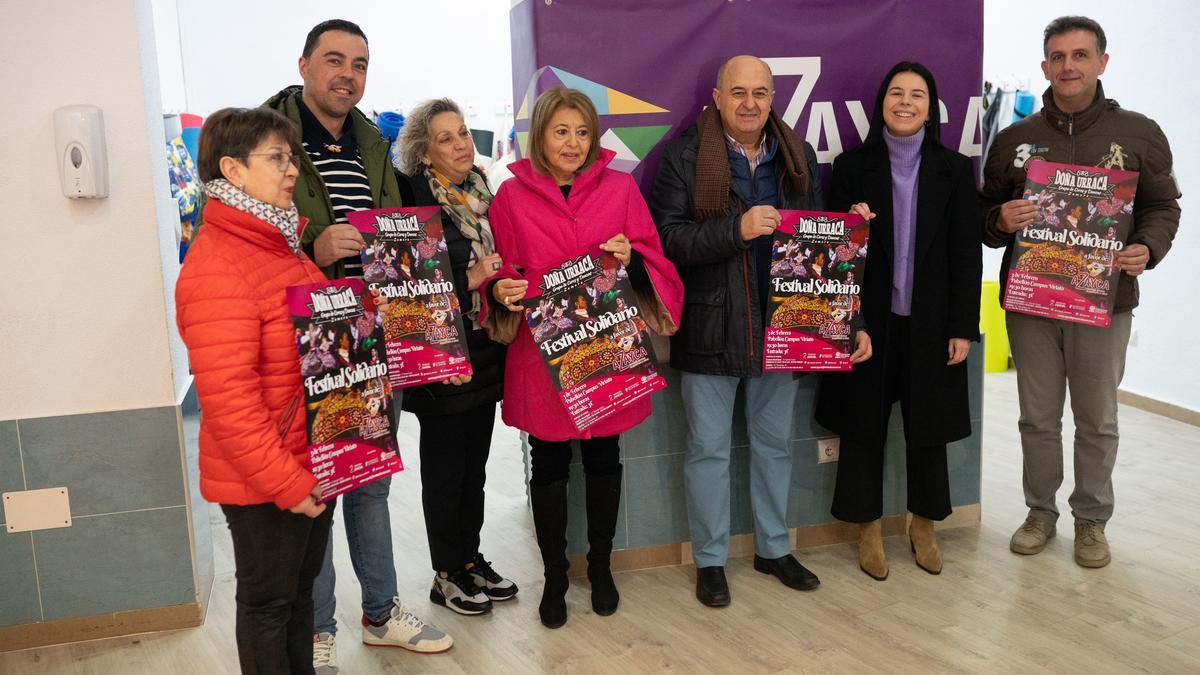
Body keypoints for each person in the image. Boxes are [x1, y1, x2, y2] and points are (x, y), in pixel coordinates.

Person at [263, 19, 451, 672]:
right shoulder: (265, 137)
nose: (348, 73)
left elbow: (401, 235)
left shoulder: (375, 141)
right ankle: (316, 629)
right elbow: (246, 222)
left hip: (372, 334)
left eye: (360, 63)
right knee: (317, 491)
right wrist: (311, 240)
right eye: (334, 60)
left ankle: (379, 613)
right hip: (304, 337)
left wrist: (429, 323)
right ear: (305, 65)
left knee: (370, 481)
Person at [650, 55, 870, 607]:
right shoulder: (682, 157)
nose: (750, 103)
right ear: (717, 98)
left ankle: (774, 548)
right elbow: (668, 242)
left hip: (785, 327)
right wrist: (736, 229)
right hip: (709, 326)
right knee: (707, 450)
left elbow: (823, 252)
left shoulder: (798, 159)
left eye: (761, 93)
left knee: (774, 447)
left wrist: (850, 313)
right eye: (738, 92)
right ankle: (710, 561)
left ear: (773, 99)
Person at [980, 16, 1180, 568]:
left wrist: (1148, 247)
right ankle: (1040, 512)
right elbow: (981, 218)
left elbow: (1164, 207)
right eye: (1058, 57)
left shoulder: (1139, 133)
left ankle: (1092, 519)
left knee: (1097, 419)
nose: (1068, 66)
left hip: (1105, 302)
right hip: (1032, 302)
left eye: (1080, 55)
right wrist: (999, 217)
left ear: (1101, 63)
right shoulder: (1015, 140)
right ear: (1045, 66)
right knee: (1037, 417)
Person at [479, 87, 683, 628]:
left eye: (583, 132)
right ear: (540, 135)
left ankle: (600, 565)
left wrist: (631, 256)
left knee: (603, 458)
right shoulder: (511, 198)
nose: (573, 143)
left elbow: (652, 257)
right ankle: (553, 575)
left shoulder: (620, 188)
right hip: (541, 353)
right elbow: (501, 269)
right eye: (561, 131)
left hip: (606, 349)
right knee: (546, 464)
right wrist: (501, 289)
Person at [176, 107, 334, 673]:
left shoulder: (280, 245)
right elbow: (229, 402)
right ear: (232, 170)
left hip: (310, 460)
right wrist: (287, 483)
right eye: (276, 158)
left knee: (298, 598)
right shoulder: (219, 264)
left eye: (291, 157)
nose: (291, 170)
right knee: (269, 605)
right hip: (266, 479)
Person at [814, 62, 982, 580]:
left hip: (932, 324)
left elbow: (965, 255)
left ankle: (924, 524)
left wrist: (962, 326)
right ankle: (866, 528)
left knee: (928, 427)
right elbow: (833, 253)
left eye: (916, 95)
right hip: (870, 324)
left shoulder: (954, 170)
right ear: (882, 102)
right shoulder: (850, 167)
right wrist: (852, 228)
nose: (904, 102)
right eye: (895, 93)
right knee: (863, 427)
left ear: (930, 108)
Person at [391, 98, 518, 615]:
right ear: (423, 153)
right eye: (446, 138)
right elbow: (404, 281)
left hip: (485, 344)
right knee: (446, 469)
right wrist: (468, 277)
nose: (462, 144)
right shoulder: (414, 199)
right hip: (441, 352)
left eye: (464, 133)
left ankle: (469, 559)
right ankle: (446, 573)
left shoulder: (482, 193)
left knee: (476, 466)